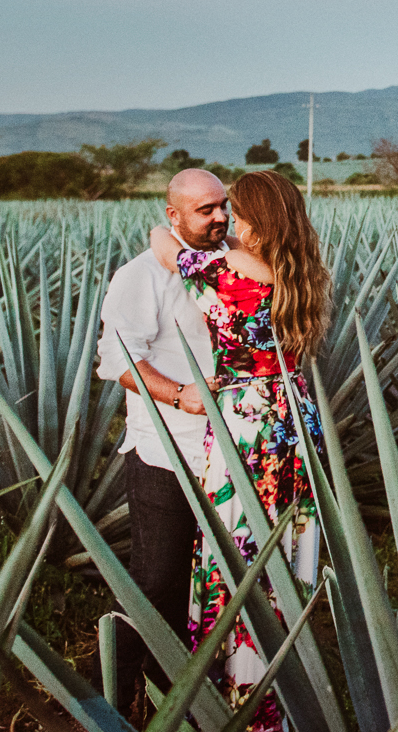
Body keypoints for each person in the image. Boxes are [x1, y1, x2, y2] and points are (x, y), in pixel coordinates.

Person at [146, 169, 327, 730]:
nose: (228, 219)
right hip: (296, 421)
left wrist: (205, 233)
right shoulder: (305, 274)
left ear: (253, 220)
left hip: (245, 428)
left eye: (236, 211)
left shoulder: (223, 273)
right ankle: (286, 684)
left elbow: (161, 242)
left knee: (239, 555)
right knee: (289, 557)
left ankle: (241, 697)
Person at [93, 168, 229, 721]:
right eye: (205, 210)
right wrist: (179, 394)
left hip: (232, 456)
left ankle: (193, 701)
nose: (219, 216)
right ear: (172, 216)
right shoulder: (140, 276)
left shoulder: (230, 268)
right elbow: (116, 357)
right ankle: (117, 704)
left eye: (223, 206)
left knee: (218, 581)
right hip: (164, 451)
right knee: (157, 581)